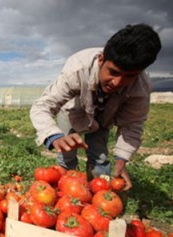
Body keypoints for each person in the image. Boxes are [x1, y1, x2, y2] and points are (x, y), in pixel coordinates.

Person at [30, 23, 161, 190]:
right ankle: (64, 193)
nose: (117, 82)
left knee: (99, 158)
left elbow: (132, 124)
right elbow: (42, 105)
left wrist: (122, 160)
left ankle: (97, 195)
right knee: (66, 155)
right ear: (101, 60)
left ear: (140, 72)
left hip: (103, 118)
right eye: (113, 72)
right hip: (73, 112)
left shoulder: (140, 86)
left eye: (129, 76)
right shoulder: (77, 68)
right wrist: (54, 136)